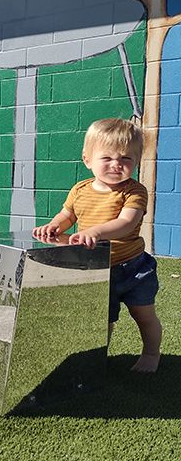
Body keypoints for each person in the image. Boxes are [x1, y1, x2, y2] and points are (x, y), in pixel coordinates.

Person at [33, 117, 161, 373]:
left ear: (136, 162)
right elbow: (67, 215)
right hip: (96, 268)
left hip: (133, 269)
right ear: (87, 159)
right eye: (108, 158)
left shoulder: (134, 191)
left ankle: (150, 354)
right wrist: (54, 226)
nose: (117, 164)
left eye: (126, 159)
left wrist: (96, 231)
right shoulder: (80, 190)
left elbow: (126, 222)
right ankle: (96, 360)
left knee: (143, 315)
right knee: (102, 320)